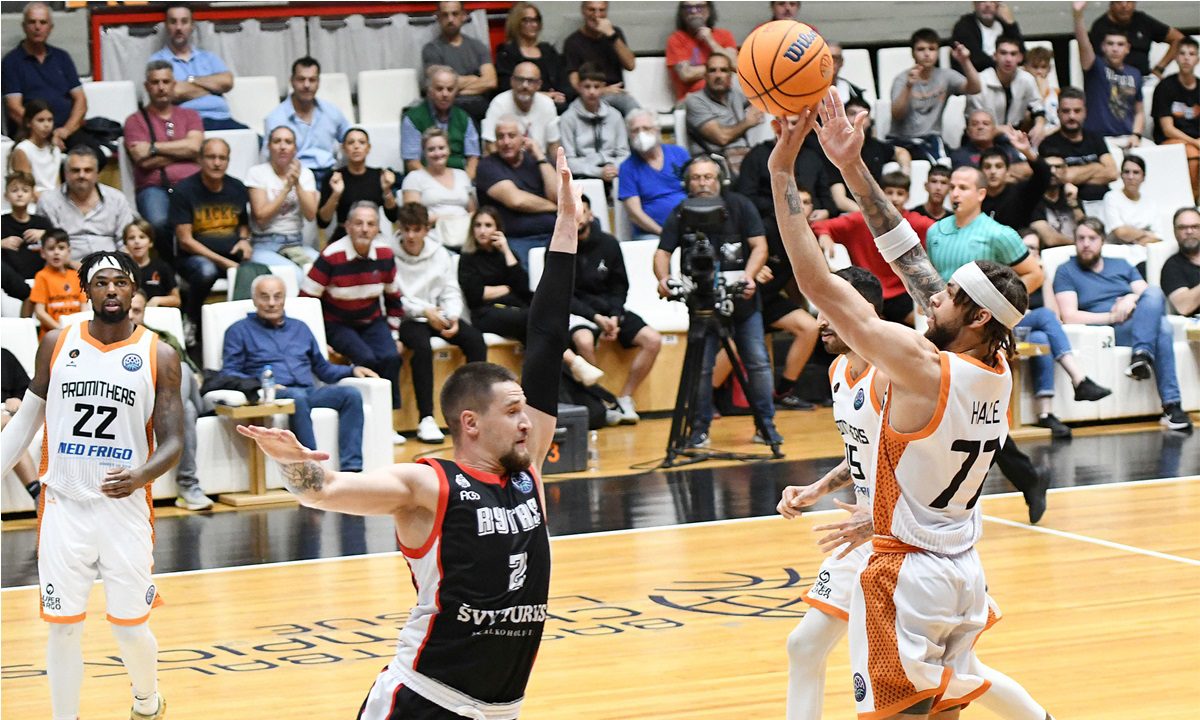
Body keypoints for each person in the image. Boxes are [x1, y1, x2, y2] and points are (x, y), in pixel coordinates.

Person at [238, 150, 582, 719]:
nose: (529, 422)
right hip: (423, 700)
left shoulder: (529, 475)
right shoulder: (428, 484)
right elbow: (321, 491)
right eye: (514, 411)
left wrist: (564, 226)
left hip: (501, 709)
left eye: (526, 411)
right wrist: (289, 459)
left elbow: (546, 336)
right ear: (471, 423)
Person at [769, 94, 1036, 718]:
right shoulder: (996, 366)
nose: (932, 297)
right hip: (961, 568)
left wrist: (782, 171)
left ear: (975, 316)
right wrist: (851, 165)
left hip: (908, 573)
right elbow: (907, 254)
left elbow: (817, 284)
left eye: (947, 296)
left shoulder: (922, 369)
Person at [775, 265, 1050, 720]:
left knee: (950, 677)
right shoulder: (840, 371)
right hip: (867, 534)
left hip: (901, 539)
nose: (822, 320)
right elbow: (864, 450)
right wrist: (818, 488)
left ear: (858, 312)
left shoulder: (896, 374)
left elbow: (922, 461)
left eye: (830, 310)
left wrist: (881, 517)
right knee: (804, 646)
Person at [0, 250, 183, 720]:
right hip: (64, 506)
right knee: (62, 628)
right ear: (86, 290)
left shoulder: (160, 354)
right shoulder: (56, 343)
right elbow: (25, 423)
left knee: (129, 629)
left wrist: (141, 475)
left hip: (123, 510)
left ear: (134, 288)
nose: (111, 290)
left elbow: (174, 443)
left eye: (120, 282)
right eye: (101, 283)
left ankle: (146, 701)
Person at [928, 165, 1111, 438]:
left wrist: (998, 306)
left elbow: (1035, 273)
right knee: (1042, 336)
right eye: (952, 187)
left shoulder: (1000, 234)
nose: (955, 193)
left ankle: (1043, 415)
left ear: (981, 194)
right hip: (946, 320)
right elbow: (932, 279)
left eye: (963, 188)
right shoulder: (935, 232)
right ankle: (1067, 392)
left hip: (983, 325)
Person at [654, 156, 782, 447]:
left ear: (720, 180)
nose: (702, 183)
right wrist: (663, 279)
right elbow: (662, 252)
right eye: (696, 178)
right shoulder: (680, 211)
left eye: (708, 177)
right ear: (688, 183)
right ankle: (699, 429)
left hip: (741, 298)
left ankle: (766, 426)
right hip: (700, 302)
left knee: (758, 363)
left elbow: (759, 246)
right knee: (701, 368)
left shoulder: (740, 205)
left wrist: (749, 275)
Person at [224, 274, 381, 470]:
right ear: (254, 299)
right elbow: (230, 372)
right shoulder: (238, 331)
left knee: (350, 394)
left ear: (284, 298)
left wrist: (352, 370)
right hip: (275, 394)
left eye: (277, 296)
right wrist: (260, 385)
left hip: (309, 391)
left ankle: (352, 470)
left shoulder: (300, 328)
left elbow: (323, 369)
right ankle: (312, 468)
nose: (272, 303)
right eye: (264, 297)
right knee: (297, 397)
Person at [1054, 217, 1192, 432]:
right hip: (1108, 329)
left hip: (1137, 320)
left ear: (1102, 241)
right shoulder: (1066, 270)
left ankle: (1142, 355)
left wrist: (1131, 298)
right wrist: (1111, 317)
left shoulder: (1120, 264)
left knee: (1154, 293)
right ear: (1075, 241)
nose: (1086, 244)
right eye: (1081, 238)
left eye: (1092, 238)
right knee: (1163, 328)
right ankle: (1171, 405)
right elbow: (1069, 316)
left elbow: (1148, 295)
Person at [458, 206, 603, 386]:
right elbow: (475, 294)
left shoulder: (505, 254)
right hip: (485, 314)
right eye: (478, 225)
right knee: (533, 319)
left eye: (488, 225)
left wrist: (506, 250)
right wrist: (507, 288)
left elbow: (521, 287)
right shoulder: (467, 258)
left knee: (542, 324)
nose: (482, 230)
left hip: (514, 309)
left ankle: (566, 382)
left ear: (498, 229)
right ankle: (574, 362)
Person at [394, 202, 488, 442]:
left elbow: (450, 290)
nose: (411, 236)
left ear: (427, 229)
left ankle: (475, 409)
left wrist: (453, 316)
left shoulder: (440, 253)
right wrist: (424, 311)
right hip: (407, 317)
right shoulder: (389, 254)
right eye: (407, 229)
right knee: (422, 348)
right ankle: (426, 418)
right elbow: (394, 298)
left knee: (475, 340)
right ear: (399, 229)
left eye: (417, 230)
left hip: (439, 313)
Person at [302, 201, 404, 418]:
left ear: (378, 229)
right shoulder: (331, 255)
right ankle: (366, 415)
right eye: (358, 223)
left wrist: (395, 334)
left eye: (370, 224)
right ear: (348, 226)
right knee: (367, 359)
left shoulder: (385, 254)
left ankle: (388, 418)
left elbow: (394, 299)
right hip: (337, 323)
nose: (364, 229)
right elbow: (305, 301)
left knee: (391, 357)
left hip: (372, 320)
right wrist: (319, 341)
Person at [569, 194, 661, 423]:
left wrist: (615, 316)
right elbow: (563, 296)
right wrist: (595, 317)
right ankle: (601, 402)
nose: (577, 217)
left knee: (652, 340)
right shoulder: (559, 247)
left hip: (609, 310)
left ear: (591, 215)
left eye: (582, 211)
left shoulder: (608, 243)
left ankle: (625, 398)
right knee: (583, 341)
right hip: (578, 312)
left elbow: (619, 286)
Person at [813, 172, 937, 325]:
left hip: (902, 293)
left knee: (927, 322)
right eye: (889, 193)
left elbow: (938, 231)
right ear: (880, 195)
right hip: (866, 291)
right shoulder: (860, 219)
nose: (894, 198)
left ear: (907, 197)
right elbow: (820, 225)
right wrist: (824, 235)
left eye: (900, 193)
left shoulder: (915, 222)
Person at [127, 289, 212, 511]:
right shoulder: (113, 343)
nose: (131, 316)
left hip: (174, 396)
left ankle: (175, 415)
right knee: (188, 410)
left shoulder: (163, 338)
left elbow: (191, 369)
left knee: (183, 370)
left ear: (144, 312)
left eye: (137, 311)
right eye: (128, 310)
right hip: (147, 404)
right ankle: (188, 485)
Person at [124, 60, 204, 268]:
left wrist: (153, 147)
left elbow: (194, 147)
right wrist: (184, 153)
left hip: (192, 184)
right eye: (155, 82)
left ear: (174, 84)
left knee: (204, 219)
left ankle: (195, 265)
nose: (161, 87)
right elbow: (141, 159)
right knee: (157, 223)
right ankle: (171, 269)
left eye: (166, 82)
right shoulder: (135, 120)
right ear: (147, 86)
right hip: (154, 187)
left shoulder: (190, 115)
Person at [171, 137, 252, 337]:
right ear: (200, 159)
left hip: (231, 255)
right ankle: (191, 320)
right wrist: (223, 262)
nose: (217, 163)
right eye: (211, 157)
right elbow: (185, 241)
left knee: (257, 271)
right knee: (207, 271)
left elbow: (244, 224)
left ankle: (242, 329)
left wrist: (244, 240)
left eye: (222, 158)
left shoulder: (237, 187)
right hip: (194, 258)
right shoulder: (184, 191)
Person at [1, 2, 94, 155]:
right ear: (24, 26)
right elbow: (14, 109)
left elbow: (80, 101)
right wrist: (46, 133)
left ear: (50, 27)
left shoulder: (62, 57)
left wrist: (65, 131)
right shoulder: (11, 62)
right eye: (32, 22)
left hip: (67, 131)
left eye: (43, 22)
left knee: (95, 156)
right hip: (32, 134)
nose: (37, 27)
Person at [475, 117, 559, 268]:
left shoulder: (536, 161)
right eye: (500, 137)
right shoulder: (487, 166)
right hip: (517, 238)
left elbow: (558, 196)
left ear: (524, 138)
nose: (506, 142)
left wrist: (540, 157)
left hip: (554, 233)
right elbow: (516, 200)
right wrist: (555, 207)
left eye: (512, 136)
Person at [148, 3, 246, 131]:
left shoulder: (208, 57)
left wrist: (190, 80)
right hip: (186, 123)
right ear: (166, 26)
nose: (179, 27)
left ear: (192, 26)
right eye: (173, 22)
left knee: (257, 139)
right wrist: (213, 88)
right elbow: (173, 92)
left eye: (184, 22)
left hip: (222, 118)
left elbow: (227, 82)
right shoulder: (157, 60)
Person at [889, 29, 982, 162]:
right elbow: (897, 114)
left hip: (931, 139)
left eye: (932, 49)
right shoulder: (902, 79)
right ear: (913, 53)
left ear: (938, 52)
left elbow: (975, 88)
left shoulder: (946, 76)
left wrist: (965, 61)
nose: (927, 54)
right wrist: (908, 86)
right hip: (901, 140)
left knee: (950, 163)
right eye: (921, 49)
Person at [246, 125, 320, 284]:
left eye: (288, 142)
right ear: (268, 146)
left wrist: (297, 183)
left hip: (296, 243)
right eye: (277, 141)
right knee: (295, 276)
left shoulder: (305, 174)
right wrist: (286, 188)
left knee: (323, 270)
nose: (282, 146)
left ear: (295, 148)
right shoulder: (257, 173)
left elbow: (310, 215)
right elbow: (261, 218)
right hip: (264, 244)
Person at [264, 57, 350, 190]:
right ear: (292, 81)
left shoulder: (332, 112)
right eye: (301, 79)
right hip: (294, 176)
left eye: (312, 80)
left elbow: (350, 138)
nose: (307, 85)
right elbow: (268, 157)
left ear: (318, 82)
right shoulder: (275, 118)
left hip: (330, 174)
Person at [37, 146, 135, 261]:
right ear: (66, 173)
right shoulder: (48, 201)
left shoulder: (117, 199)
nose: (81, 175)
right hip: (65, 267)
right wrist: (71, 265)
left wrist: (120, 266)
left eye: (88, 170)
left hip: (110, 266)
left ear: (97, 173)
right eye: (75, 170)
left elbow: (125, 241)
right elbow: (45, 244)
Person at [1074, 2, 1143, 148]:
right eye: (1110, 44)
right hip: (1099, 140)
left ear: (1127, 48)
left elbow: (1139, 112)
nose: (1115, 49)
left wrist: (1136, 135)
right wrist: (1078, 15)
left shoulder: (1135, 73)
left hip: (1128, 138)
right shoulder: (1095, 66)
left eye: (1120, 44)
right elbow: (1083, 43)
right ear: (1103, 47)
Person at [317, 127, 399, 244]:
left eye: (361, 142)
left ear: (368, 148)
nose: (356, 146)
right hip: (343, 237)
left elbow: (394, 217)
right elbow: (322, 222)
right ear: (343, 148)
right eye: (351, 143)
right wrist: (336, 194)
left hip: (373, 237)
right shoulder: (334, 177)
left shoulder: (379, 175)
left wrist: (387, 190)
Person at [1038, 87, 1119, 201]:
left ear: (1085, 112)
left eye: (1077, 111)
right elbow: (1062, 178)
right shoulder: (1048, 144)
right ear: (1058, 112)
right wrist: (1096, 167)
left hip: (1104, 201)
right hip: (1072, 203)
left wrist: (1077, 176)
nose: (1072, 116)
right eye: (1066, 111)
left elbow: (1113, 173)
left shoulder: (1095, 137)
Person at [421, 0, 497, 123]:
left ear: (463, 16)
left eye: (455, 14)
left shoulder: (478, 46)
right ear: (438, 17)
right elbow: (439, 85)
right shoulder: (431, 49)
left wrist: (455, 89)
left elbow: (490, 82)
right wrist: (474, 79)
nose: (450, 19)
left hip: (479, 108)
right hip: (447, 110)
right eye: (445, 15)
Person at [618, 110, 690, 238]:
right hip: (652, 233)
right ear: (629, 135)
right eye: (635, 130)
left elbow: (696, 190)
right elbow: (635, 214)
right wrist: (665, 235)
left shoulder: (679, 154)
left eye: (646, 128)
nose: (641, 134)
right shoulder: (627, 168)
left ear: (657, 129)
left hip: (688, 225)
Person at [684, 53, 763, 170]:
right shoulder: (694, 100)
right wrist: (747, 122)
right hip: (712, 160)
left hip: (744, 155)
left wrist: (758, 106)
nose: (718, 75)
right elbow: (721, 138)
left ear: (730, 76)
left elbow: (761, 98)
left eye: (723, 70)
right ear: (705, 75)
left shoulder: (735, 94)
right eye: (712, 70)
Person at [402, 65, 482, 179]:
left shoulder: (464, 118)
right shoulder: (413, 118)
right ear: (429, 90)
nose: (445, 94)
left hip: (459, 181)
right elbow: (412, 163)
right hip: (424, 181)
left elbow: (473, 159)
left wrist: (464, 183)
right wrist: (438, 185)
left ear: (456, 91)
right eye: (439, 89)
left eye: (450, 89)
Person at [401, 127, 476, 249]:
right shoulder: (414, 178)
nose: (437, 153)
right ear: (424, 153)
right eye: (431, 149)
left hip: (466, 238)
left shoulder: (462, 175)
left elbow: (473, 212)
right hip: (433, 240)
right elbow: (412, 218)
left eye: (441, 148)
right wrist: (450, 219)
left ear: (449, 149)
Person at [966, 36, 1047, 146]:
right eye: (1003, 53)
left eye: (1013, 54)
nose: (1008, 59)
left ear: (1020, 58)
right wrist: (1001, 129)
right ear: (995, 56)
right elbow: (974, 122)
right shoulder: (979, 82)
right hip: (981, 139)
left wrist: (1039, 124)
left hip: (1013, 138)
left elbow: (1037, 107)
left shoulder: (1026, 79)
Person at [562, 1, 639, 117]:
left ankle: (642, 126)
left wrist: (611, 35)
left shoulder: (615, 34)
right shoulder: (573, 42)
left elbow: (630, 65)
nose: (596, 15)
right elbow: (574, 82)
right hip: (590, 95)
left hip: (617, 94)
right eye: (591, 10)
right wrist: (601, 90)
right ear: (583, 11)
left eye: (601, 10)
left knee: (632, 109)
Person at [559, 64, 631, 181]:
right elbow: (568, 160)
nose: (592, 92)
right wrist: (597, 172)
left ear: (603, 88)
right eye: (587, 87)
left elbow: (624, 153)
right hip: (584, 175)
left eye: (596, 87)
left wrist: (614, 168)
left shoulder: (615, 115)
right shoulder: (568, 118)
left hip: (614, 171)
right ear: (579, 87)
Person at [1151, 36, 1199, 203]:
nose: (1186, 58)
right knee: (1193, 155)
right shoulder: (1165, 87)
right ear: (1176, 58)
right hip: (1171, 139)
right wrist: (1195, 142)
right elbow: (1167, 129)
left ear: (1197, 59)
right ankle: (1192, 202)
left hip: (1195, 140)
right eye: (1182, 53)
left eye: (1191, 54)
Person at [1088, 0, 1187, 80]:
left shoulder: (1142, 20)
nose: (1124, 6)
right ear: (1111, 4)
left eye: (1129, 1)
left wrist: (1159, 68)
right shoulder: (1099, 27)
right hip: (1112, 78)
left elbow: (1178, 38)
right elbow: (1094, 62)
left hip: (1143, 78)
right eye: (1119, 1)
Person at [495, 3, 568, 111]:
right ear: (517, 23)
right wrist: (542, 96)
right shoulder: (507, 52)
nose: (534, 25)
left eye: (536, 20)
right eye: (527, 21)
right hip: (521, 105)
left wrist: (559, 95)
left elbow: (563, 79)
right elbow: (506, 86)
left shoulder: (548, 50)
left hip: (554, 103)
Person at [482, 61, 561, 156]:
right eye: (520, 80)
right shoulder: (499, 103)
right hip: (505, 159)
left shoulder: (547, 104)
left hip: (539, 159)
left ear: (539, 85)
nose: (525, 85)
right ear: (512, 81)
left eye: (530, 81)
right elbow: (490, 144)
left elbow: (554, 145)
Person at [666, 1, 737, 102]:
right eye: (688, 8)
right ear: (682, 13)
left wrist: (710, 41)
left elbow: (736, 66)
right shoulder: (676, 39)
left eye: (699, 7)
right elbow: (686, 74)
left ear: (709, 10)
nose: (694, 11)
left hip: (726, 97)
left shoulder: (724, 35)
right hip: (693, 100)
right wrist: (723, 68)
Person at [979, 136, 1051, 233]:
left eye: (998, 166)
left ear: (1007, 171)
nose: (993, 171)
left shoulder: (1021, 193)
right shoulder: (974, 197)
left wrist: (1027, 151)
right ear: (981, 172)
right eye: (987, 167)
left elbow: (1044, 175)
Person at [1, 348, 43, 503]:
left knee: (9, 424)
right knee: (9, 425)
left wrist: (17, 399)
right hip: (5, 420)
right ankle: (37, 494)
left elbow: (30, 390)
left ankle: (39, 497)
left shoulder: (4, 356)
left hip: (7, 414)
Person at [29, 229, 85, 337]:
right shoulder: (42, 276)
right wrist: (61, 330)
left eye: (61, 248)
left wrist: (77, 330)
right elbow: (39, 312)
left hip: (77, 334)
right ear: (42, 252)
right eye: (51, 248)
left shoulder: (76, 276)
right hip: (52, 336)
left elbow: (84, 307)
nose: (56, 252)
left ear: (69, 251)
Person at [2, 171, 53, 287]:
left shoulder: (42, 222)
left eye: (25, 190)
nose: (20, 194)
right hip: (8, 282)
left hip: (40, 279)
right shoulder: (2, 222)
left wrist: (45, 234)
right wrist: (1, 243)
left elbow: (60, 240)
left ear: (32, 196)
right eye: (14, 190)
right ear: (6, 196)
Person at [950, 109, 1031, 181]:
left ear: (995, 129)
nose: (980, 127)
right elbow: (972, 180)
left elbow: (1028, 168)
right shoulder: (959, 156)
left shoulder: (1006, 146)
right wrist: (1007, 174)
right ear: (968, 131)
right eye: (975, 124)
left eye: (986, 124)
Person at [1029, 150, 1086, 248]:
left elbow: (1085, 227)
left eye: (1058, 167)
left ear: (1065, 169)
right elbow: (1050, 239)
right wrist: (1079, 245)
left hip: (1075, 251)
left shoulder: (1071, 192)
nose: (1053, 171)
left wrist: (1074, 204)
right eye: (1048, 167)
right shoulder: (1031, 197)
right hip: (1046, 253)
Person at [1103, 154, 1164, 245]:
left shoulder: (1151, 203)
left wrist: (1134, 236)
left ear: (1143, 177)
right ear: (1121, 175)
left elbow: (1158, 237)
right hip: (1118, 249)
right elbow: (1121, 232)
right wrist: (1145, 233)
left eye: (1136, 172)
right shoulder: (1111, 197)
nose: (1130, 177)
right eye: (1126, 172)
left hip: (1144, 249)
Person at [950, 1, 1024, 74]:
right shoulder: (964, 26)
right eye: (983, 1)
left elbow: (1021, 55)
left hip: (1006, 74)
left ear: (998, 4)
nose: (988, 5)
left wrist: (1011, 24)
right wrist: (1004, 67)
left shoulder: (1004, 24)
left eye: (992, 1)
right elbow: (977, 59)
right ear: (975, 4)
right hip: (976, 75)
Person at [8, 98, 62, 196]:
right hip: (33, 201)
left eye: (50, 120)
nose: (46, 125)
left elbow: (57, 184)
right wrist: (50, 203)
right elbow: (26, 188)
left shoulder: (55, 149)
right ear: (28, 123)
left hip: (54, 199)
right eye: (41, 120)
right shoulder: (23, 150)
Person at [121, 220, 180, 308]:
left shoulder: (162, 268)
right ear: (126, 244)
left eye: (142, 237)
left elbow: (177, 300)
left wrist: (158, 300)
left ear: (151, 242)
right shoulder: (121, 270)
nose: (137, 241)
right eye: (131, 238)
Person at [1161, 207, 1200, 316]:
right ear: (1175, 232)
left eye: (1195, 226)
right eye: (1182, 227)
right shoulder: (1172, 266)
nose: (1189, 231)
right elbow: (1183, 306)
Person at [1024, 46, 1061, 134]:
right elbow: (1025, 122)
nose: (1039, 72)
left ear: (1049, 69)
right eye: (1035, 67)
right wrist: (1041, 94)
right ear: (1026, 68)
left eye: (1043, 67)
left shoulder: (1057, 93)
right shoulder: (1021, 93)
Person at [828, 42, 870, 107]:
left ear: (842, 62)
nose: (832, 62)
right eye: (828, 57)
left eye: (836, 58)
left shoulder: (854, 92)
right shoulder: (811, 89)